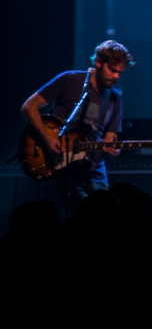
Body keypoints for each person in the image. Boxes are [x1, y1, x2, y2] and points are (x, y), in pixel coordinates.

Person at [20, 40, 133, 210]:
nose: (116, 76)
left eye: (120, 73)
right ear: (98, 62)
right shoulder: (70, 80)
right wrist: (47, 139)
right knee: (83, 218)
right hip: (63, 167)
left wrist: (112, 151)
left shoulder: (115, 98)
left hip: (95, 171)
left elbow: (109, 141)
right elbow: (29, 106)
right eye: (113, 70)